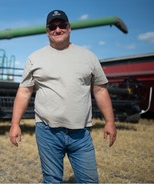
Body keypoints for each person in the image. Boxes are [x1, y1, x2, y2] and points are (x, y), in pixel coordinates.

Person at [9, 10, 117, 183]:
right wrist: (15, 124)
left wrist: (110, 122)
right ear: (47, 31)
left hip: (81, 133)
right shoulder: (35, 58)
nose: (57, 30)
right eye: (52, 26)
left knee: (90, 181)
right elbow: (24, 92)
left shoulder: (88, 57)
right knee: (52, 180)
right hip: (47, 132)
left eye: (62, 25)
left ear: (69, 28)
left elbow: (100, 90)